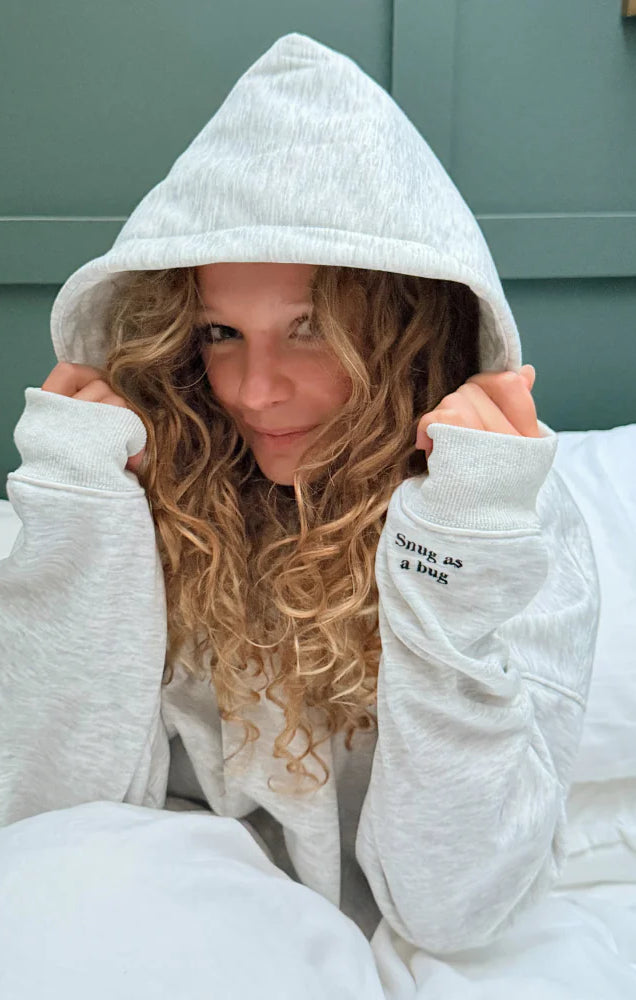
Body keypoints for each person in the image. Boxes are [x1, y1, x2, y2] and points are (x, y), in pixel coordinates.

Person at [0, 32, 599, 957]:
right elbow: (48, 826)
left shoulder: (512, 527)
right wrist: (78, 522)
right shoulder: (144, 484)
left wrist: (453, 558)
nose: (254, 391)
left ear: (407, 334)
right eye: (220, 333)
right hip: (155, 928)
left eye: (312, 328)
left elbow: (453, 908)